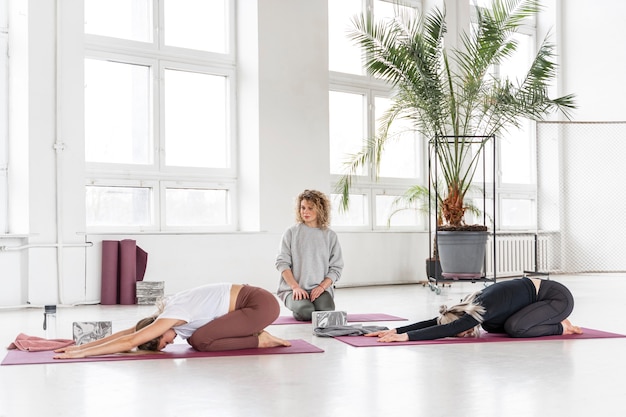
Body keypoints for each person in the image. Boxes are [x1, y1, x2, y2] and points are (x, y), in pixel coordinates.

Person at [54, 283, 290, 359]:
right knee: (196, 339)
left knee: (201, 341)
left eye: (163, 344)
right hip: (253, 304)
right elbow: (129, 332)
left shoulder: (173, 315)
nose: (168, 345)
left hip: (260, 306)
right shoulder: (162, 319)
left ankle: (262, 340)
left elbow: (132, 339)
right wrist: (80, 346)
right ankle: (257, 336)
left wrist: (83, 355)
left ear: (157, 333)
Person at [366, 277, 583, 342]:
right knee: (496, 327)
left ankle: (562, 327)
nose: (461, 333)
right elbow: (437, 322)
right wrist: (397, 330)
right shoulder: (468, 307)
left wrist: (406, 338)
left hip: (557, 299)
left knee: (516, 329)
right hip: (536, 301)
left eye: (458, 329)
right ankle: (547, 321)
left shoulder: (481, 308)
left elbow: (447, 329)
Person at [275, 189, 344, 321]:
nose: (305, 211)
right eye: (302, 208)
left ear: (320, 209)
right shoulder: (291, 232)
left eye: (310, 208)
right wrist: (295, 287)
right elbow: (281, 263)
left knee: (326, 312)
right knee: (307, 312)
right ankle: (300, 308)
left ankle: (307, 305)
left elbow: (336, 268)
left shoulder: (330, 236)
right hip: (293, 289)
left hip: (319, 289)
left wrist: (321, 287)